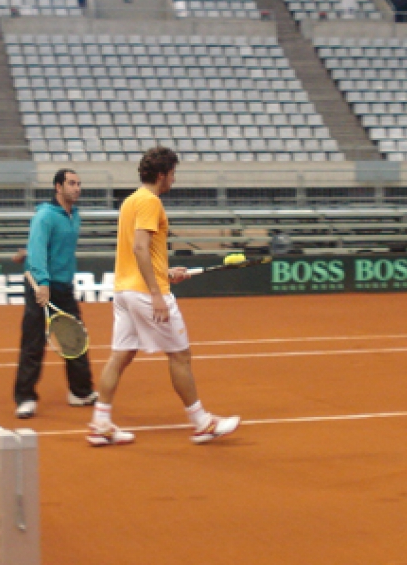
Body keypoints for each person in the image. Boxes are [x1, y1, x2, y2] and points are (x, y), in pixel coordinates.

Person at [87, 146, 240, 446]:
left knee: (120, 355)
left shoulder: (131, 201)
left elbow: (142, 252)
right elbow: (140, 248)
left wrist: (166, 272)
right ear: (161, 175)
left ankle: (100, 423)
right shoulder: (150, 202)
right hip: (145, 294)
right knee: (180, 356)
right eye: (172, 174)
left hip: (125, 291)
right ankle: (202, 423)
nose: (173, 180)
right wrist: (157, 292)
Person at [15, 169, 97, 419]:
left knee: (75, 339)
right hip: (42, 287)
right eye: (71, 183)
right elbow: (39, 248)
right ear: (58, 187)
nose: (77, 188)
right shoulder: (45, 216)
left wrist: (26, 253)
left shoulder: (75, 216)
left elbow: (50, 247)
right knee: (33, 343)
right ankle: (26, 398)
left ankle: (80, 392)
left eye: (79, 184)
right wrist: (42, 282)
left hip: (63, 287)